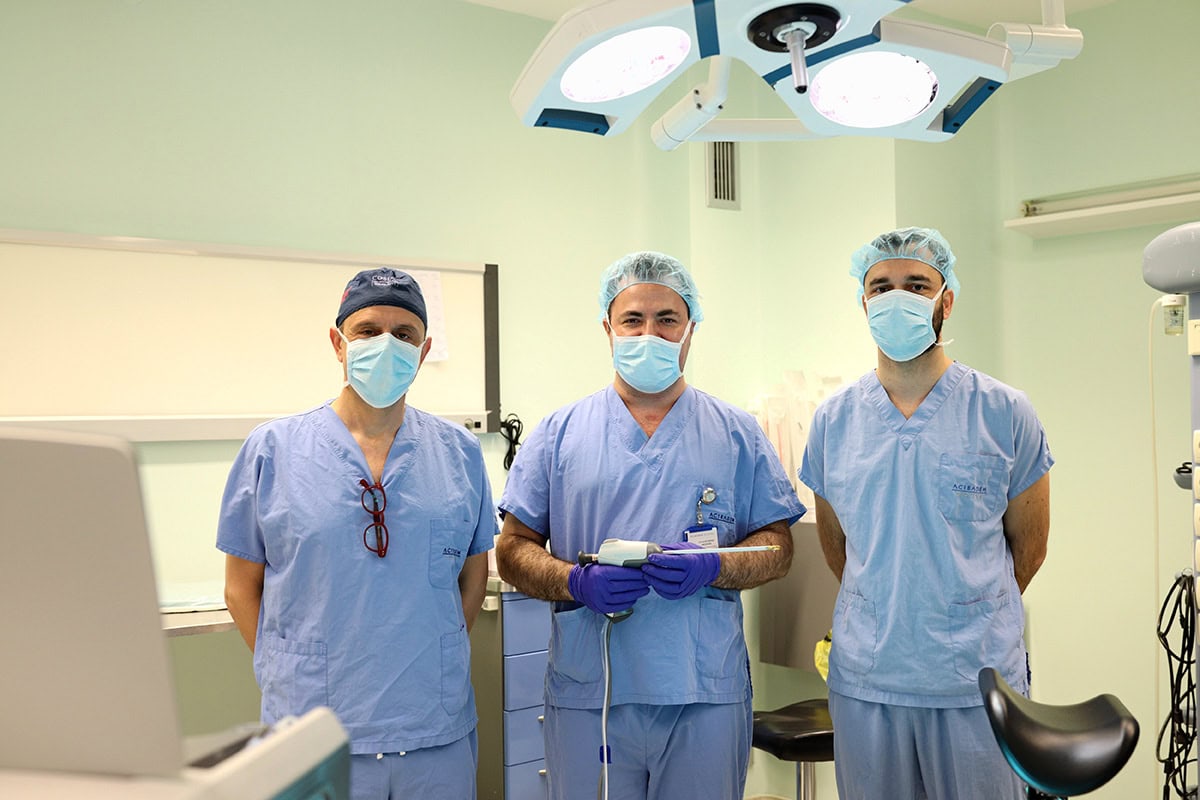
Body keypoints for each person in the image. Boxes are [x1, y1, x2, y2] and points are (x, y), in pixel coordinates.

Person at [496, 250, 806, 800]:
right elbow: (513, 549)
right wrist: (573, 581)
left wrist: (714, 567)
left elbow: (778, 549)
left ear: (691, 330)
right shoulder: (559, 434)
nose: (649, 334)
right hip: (592, 692)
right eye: (632, 320)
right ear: (608, 329)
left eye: (667, 319)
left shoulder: (736, 433)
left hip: (702, 691)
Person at [217, 267, 496, 800]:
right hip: (311, 731)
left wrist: (427, 655)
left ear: (423, 350)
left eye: (404, 334)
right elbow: (239, 588)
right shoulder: (272, 450)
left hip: (431, 727)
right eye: (368, 330)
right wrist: (290, 670)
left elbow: (471, 576)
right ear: (337, 343)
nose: (386, 344)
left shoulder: (458, 452)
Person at [799, 227, 1053, 799]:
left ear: (947, 299)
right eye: (881, 286)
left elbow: (1030, 549)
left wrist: (963, 616)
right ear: (864, 303)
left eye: (916, 284)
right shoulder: (834, 421)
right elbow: (838, 547)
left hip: (974, 684)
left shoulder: (1003, 412)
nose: (898, 298)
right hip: (869, 682)